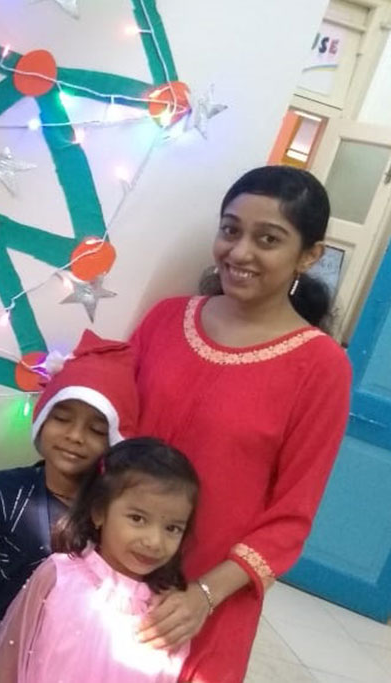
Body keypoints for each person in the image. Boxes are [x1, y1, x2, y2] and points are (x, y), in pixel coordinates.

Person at [129, 165, 352, 682]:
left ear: (309, 255)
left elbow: (290, 516)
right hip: (108, 574)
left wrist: (204, 596)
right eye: (230, 230)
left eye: (267, 239)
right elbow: (108, 427)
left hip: (203, 607)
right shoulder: (167, 319)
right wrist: (18, 494)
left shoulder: (320, 367)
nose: (239, 252)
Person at [0, 330, 139, 677]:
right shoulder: (1, 491)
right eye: (62, 418)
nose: (75, 436)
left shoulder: (105, 518)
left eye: (96, 430)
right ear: (43, 419)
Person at [0, 437, 200, 683]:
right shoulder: (59, 575)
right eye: (137, 519)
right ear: (99, 512)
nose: (155, 541)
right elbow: (10, 656)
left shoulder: (167, 610)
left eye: (172, 528)